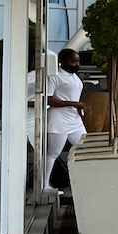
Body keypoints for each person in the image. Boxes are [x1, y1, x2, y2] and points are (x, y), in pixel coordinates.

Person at [43, 48, 87, 190]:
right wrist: (74, 104)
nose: (76, 64)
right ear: (63, 62)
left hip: (74, 119)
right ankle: (44, 184)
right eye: (73, 61)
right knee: (53, 154)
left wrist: (78, 107)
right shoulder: (55, 76)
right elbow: (50, 100)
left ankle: (81, 180)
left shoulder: (75, 77)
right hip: (58, 120)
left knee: (84, 148)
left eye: (78, 61)